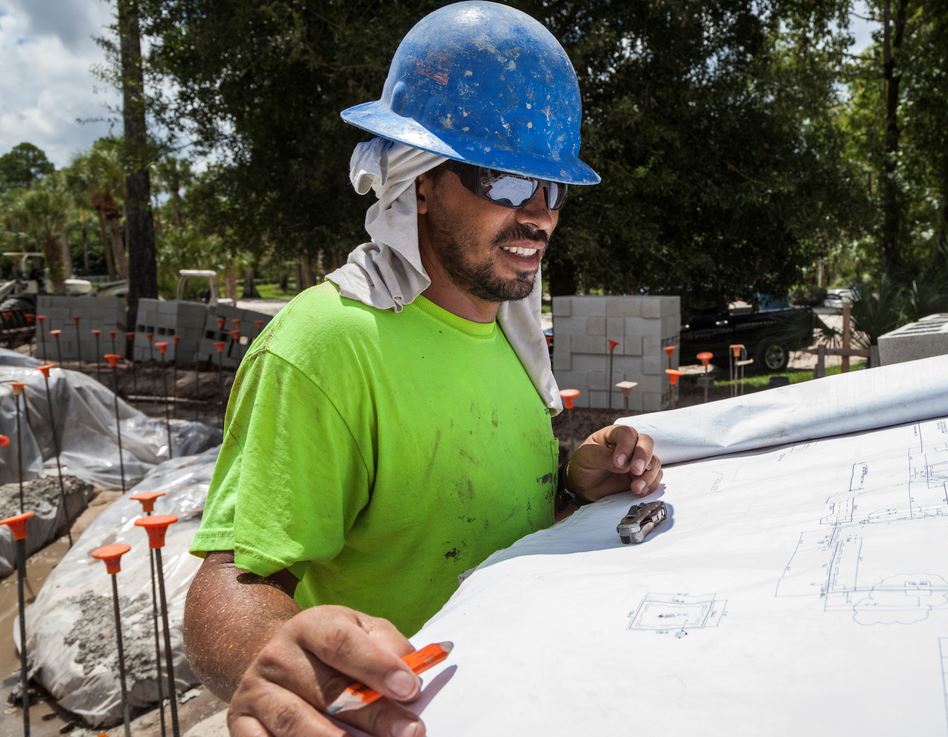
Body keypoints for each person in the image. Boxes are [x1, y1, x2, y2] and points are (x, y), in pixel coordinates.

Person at [182, 4, 663, 736]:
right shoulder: (327, 343)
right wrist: (267, 658)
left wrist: (571, 486)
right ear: (422, 179)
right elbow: (231, 580)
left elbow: (482, 528)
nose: (539, 215)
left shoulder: (509, 327)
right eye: (504, 180)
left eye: (553, 189)